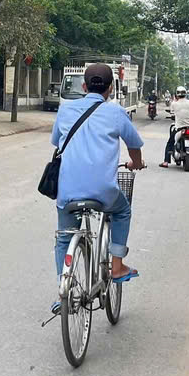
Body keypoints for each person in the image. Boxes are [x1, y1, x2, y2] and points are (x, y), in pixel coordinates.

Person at [50, 62, 144, 312]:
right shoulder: (116, 112)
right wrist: (136, 163)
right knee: (122, 211)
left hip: (67, 192)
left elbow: (57, 142)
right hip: (104, 192)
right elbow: (134, 146)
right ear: (111, 88)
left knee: (65, 237)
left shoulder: (65, 110)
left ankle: (64, 291)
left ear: (84, 86)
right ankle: (117, 266)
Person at [160, 86, 189, 167]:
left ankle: (166, 162)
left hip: (180, 128)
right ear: (185, 94)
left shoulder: (174, 104)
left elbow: (172, 113)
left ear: (176, 94)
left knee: (170, 143)